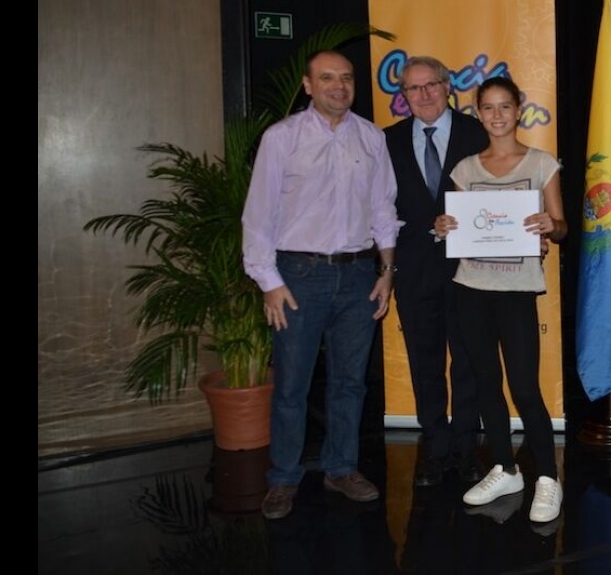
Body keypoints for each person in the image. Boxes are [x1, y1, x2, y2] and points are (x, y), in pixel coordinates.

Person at [243, 49, 401, 520]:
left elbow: (383, 209)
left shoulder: (372, 138)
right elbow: (258, 215)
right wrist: (269, 281)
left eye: (347, 78)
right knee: (292, 384)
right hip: (298, 277)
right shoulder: (282, 138)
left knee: (350, 383)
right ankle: (284, 478)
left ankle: (341, 468)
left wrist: (387, 272)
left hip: (358, 276)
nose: (339, 85)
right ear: (308, 85)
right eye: (327, 77)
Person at [434, 75, 568, 525]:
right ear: (478, 112)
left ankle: (547, 477)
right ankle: (505, 468)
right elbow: (454, 225)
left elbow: (563, 227)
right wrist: (443, 226)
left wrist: (550, 226)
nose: (496, 115)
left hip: (515, 292)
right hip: (470, 287)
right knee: (485, 384)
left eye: (504, 107)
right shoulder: (464, 169)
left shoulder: (541, 162)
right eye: (487, 108)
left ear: (518, 110)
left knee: (525, 387)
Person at [383, 55, 490, 487]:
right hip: (413, 267)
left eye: (431, 85)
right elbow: (381, 206)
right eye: (413, 88)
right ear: (403, 96)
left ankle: (466, 449)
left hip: (470, 265)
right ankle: (436, 448)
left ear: (448, 87)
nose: (423, 95)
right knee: (424, 361)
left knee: (467, 359)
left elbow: (495, 189)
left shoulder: (477, 132)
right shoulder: (385, 141)